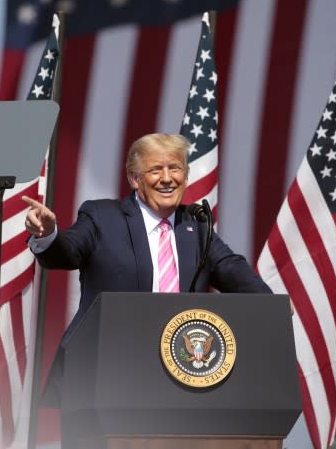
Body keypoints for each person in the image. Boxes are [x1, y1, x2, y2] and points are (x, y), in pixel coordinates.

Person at [23, 133, 272, 443]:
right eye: (156, 170)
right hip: (102, 380)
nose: (167, 178)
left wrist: (271, 306)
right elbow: (67, 250)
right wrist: (48, 234)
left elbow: (232, 269)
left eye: (175, 168)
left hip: (178, 387)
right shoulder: (102, 216)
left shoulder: (197, 227)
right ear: (135, 178)